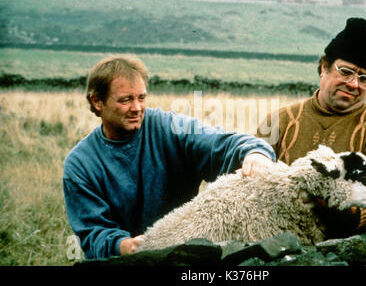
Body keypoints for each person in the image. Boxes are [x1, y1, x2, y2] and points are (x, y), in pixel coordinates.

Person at [63, 54, 276, 259]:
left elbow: (218, 144)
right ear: (97, 101)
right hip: (122, 262)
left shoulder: (170, 127)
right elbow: (93, 235)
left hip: (181, 254)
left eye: (141, 98)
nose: (137, 108)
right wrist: (126, 246)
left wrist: (255, 152)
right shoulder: (80, 164)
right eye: (126, 100)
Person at [257, 17, 366, 237]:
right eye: (346, 71)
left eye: (365, 79)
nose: (354, 84)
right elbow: (249, 185)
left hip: (341, 246)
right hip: (272, 238)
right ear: (324, 67)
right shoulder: (280, 120)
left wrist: (343, 213)